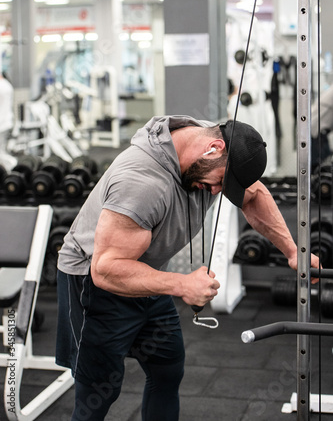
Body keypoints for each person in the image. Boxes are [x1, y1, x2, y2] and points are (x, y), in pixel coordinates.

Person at [56, 115, 320, 421]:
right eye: (220, 181)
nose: (215, 192)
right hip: (94, 281)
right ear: (213, 149)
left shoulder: (212, 144)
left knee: (167, 368)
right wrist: (181, 285)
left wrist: (292, 252)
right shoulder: (142, 183)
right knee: (98, 392)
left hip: (147, 274)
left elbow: (254, 195)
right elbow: (106, 269)